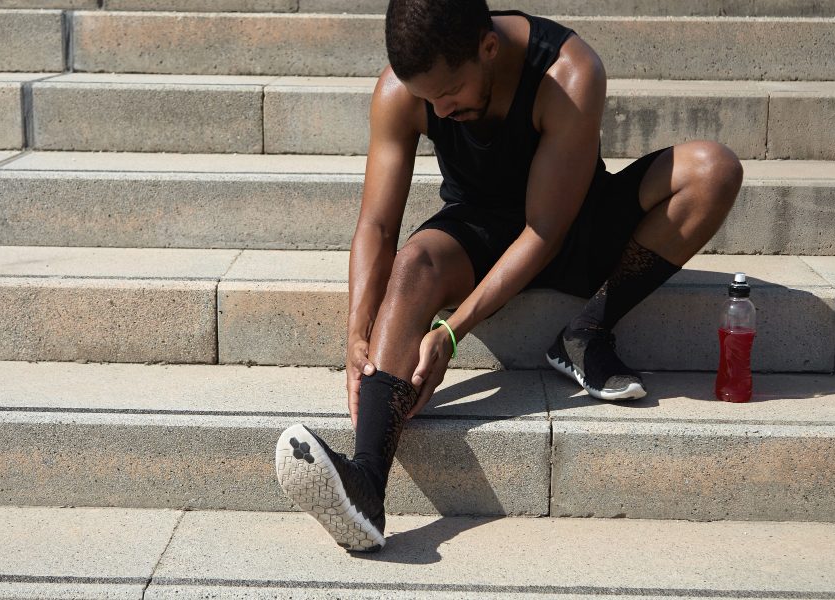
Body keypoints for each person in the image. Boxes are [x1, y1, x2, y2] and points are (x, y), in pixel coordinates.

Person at [275, 0, 743, 552]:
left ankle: (587, 329)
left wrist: (453, 331)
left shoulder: (568, 73)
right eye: (428, 100)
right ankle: (366, 486)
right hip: (477, 231)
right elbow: (377, 225)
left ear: (488, 48)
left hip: (576, 224)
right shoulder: (406, 92)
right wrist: (358, 329)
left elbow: (544, 232)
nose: (440, 111)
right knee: (412, 264)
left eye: (449, 94)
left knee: (713, 168)